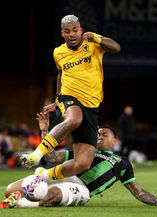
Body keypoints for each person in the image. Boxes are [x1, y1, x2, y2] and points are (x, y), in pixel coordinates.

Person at [0, 113, 157, 208]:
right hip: (62, 174)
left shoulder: (122, 162)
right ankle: (20, 196)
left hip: (83, 189)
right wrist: (44, 129)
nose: (99, 137)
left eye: (104, 134)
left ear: (115, 139)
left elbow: (139, 192)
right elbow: (51, 157)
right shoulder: (85, 150)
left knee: (54, 195)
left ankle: (23, 203)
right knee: (9, 190)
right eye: (97, 134)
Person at [20, 14, 121, 182]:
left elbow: (116, 48)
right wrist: (58, 99)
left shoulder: (93, 44)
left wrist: (97, 37)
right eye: (67, 31)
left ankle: (43, 176)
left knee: (82, 164)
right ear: (62, 34)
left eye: (75, 30)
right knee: (74, 119)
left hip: (92, 106)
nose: (72, 34)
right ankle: (36, 156)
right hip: (70, 98)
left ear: (81, 30)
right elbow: (61, 74)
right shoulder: (58, 52)